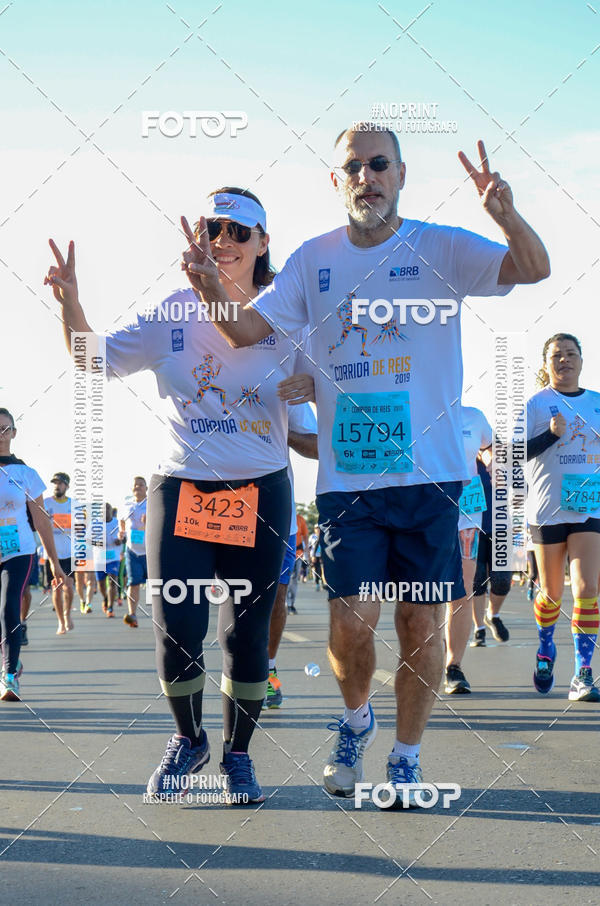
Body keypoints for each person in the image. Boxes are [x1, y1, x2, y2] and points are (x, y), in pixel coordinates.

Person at [184, 125, 549, 804]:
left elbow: (531, 268)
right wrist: (209, 286)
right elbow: (243, 329)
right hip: (350, 481)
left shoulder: (440, 246)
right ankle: (356, 721)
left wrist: (504, 213)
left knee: (419, 625)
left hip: (432, 477)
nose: (366, 177)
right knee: (350, 625)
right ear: (336, 180)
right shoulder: (310, 260)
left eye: (378, 165)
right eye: (352, 167)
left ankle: (406, 758)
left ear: (401, 174)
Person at [46, 186, 314, 804]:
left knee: (243, 636)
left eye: (239, 231)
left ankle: (238, 756)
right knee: (176, 628)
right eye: (213, 228)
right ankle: (189, 739)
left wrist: (320, 401)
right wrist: (71, 303)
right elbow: (94, 360)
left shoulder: (288, 317)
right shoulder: (169, 312)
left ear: (263, 244)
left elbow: (309, 443)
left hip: (261, 487)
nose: (224, 240)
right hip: (182, 486)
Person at [526, 333, 600, 701]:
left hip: (589, 506)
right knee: (552, 594)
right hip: (547, 508)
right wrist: (551, 437)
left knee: (587, 589)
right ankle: (545, 648)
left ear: (582, 361)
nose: (565, 360)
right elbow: (511, 455)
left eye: (571, 354)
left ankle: (583, 673)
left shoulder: (598, 403)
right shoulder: (536, 404)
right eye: (557, 355)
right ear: (546, 364)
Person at [0, 408, 67, 700]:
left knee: (8, 608)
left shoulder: (26, 474)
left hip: (20, 551)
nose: (1, 434)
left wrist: (54, 562)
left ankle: (9, 675)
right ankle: (8, 657)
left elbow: (41, 520)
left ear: (14, 433)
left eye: (5, 429)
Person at [264, 403, 318, 709]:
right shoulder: (206, 372)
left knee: (277, 599)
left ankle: (268, 670)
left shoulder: (283, 371)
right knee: (237, 601)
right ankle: (240, 671)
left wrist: (280, 432)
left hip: (277, 517)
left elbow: (316, 444)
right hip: (225, 517)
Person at [444, 405, 492, 693]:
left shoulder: (474, 416)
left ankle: (454, 666)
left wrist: (491, 459)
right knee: (424, 588)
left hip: (467, 506)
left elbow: (489, 446)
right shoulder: (416, 408)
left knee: (463, 586)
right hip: (428, 505)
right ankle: (420, 656)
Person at [470, 457, 512, 647]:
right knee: (477, 581)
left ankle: (492, 615)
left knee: (502, 580)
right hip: (473, 528)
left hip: (502, 528)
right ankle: (479, 629)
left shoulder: (504, 461)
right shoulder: (467, 459)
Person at [44, 472, 76, 634]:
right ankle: (61, 622)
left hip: (69, 551)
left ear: (67, 486)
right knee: (56, 588)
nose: (57, 485)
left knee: (69, 587)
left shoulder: (74, 504)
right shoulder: (45, 503)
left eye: (61, 483)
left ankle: (67, 614)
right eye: (55, 483)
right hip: (52, 552)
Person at [119, 477, 148, 628]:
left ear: (146, 488)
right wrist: (121, 531)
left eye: (141, 485)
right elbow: (122, 520)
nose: (138, 487)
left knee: (156, 584)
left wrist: (148, 522)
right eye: (135, 485)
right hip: (132, 550)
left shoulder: (151, 504)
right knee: (133, 583)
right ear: (132, 489)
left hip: (149, 551)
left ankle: (163, 617)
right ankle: (133, 614)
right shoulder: (127, 504)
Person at [94, 502, 122, 617]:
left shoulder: (117, 523)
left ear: (111, 511)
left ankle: (110, 607)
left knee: (112, 580)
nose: (105, 511)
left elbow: (124, 538)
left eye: (107, 509)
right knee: (100, 584)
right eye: (102, 510)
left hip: (113, 556)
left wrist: (120, 540)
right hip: (99, 557)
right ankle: (105, 598)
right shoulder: (95, 523)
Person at [286, 508, 310, 614]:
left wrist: (307, 553)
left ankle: (290, 604)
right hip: (284, 554)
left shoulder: (300, 519)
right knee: (284, 579)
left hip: (297, 554)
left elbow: (305, 536)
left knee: (294, 578)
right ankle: (284, 602)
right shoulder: (283, 515)